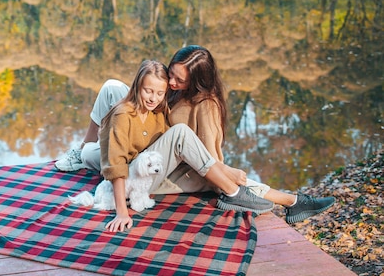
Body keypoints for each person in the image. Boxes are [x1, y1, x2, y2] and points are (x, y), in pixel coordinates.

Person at [56, 46, 336, 225]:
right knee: (109, 94)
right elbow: (149, 97)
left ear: (197, 80)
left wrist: (227, 172)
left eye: (179, 79)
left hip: (173, 168)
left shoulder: (205, 106)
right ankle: (80, 151)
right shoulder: (170, 91)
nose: (171, 82)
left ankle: (292, 201)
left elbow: (209, 160)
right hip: (146, 154)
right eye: (171, 74)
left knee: (231, 177)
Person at [75, 59, 274, 232]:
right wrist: (121, 212)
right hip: (134, 179)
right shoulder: (122, 114)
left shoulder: (158, 110)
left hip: (148, 169)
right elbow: (116, 165)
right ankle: (233, 193)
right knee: (180, 134)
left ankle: (251, 192)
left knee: (88, 153)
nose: (154, 98)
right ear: (137, 87)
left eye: (160, 93)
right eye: (148, 91)